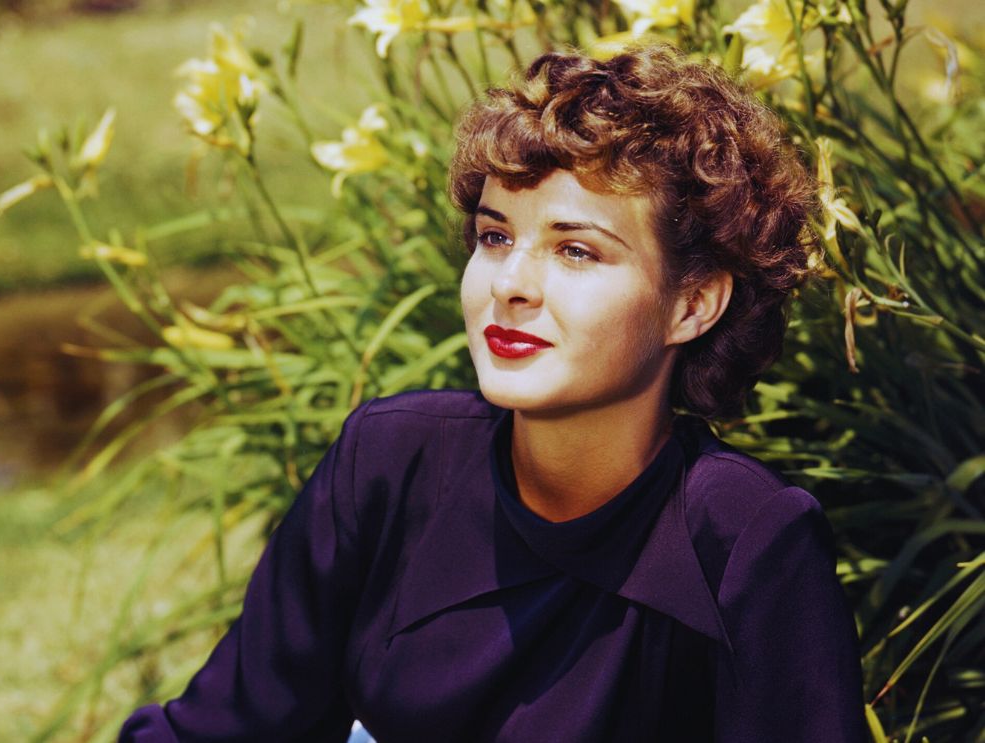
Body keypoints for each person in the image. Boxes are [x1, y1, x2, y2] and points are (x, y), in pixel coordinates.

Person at [120, 45, 867, 742]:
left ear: (692, 304)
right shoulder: (387, 460)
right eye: (494, 236)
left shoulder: (743, 540)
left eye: (575, 250)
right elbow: (220, 728)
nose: (510, 284)